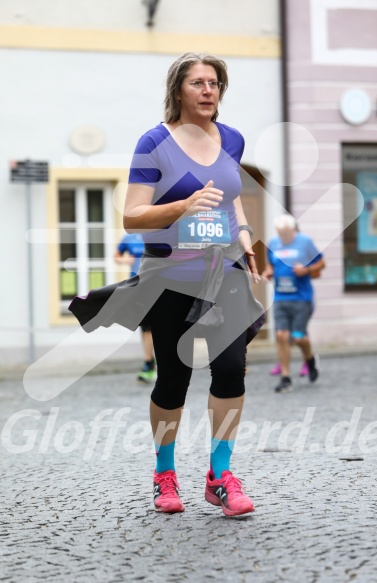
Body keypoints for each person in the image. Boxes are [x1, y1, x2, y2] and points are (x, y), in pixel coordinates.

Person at [70, 52, 265, 516]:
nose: (208, 90)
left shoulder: (232, 139)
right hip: (171, 275)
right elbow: (132, 216)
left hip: (224, 272)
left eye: (215, 83)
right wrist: (182, 206)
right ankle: (165, 474)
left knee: (232, 370)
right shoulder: (155, 143)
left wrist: (242, 234)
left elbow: (231, 200)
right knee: (173, 380)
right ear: (179, 89)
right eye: (198, 82)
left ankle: (220, 476)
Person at [262, 214, 325, 393]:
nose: (283, 237)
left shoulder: (305, 242)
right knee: (282, 335)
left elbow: (321, 263)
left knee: (297, 337)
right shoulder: (273, 244)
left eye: (287, 233)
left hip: (301, 298)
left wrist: (307, 269)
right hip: (281, 297)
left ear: (293, 230)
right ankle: (286, 377)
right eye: (280, 233)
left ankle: (310, 359)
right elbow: (270, 265)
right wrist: (268, 272)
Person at [114, 233, 156, 383]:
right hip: (137, 285)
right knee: (144, 326)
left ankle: (149, 362)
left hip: (156, 283)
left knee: (151, 326)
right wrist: (125, 260)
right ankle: (149, 361)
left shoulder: (159, 232)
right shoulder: (129, 238)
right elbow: (117, 255)